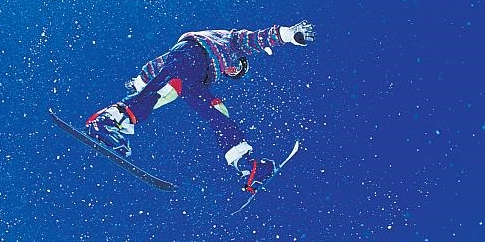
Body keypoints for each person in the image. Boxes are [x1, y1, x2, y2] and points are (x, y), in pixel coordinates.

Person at [86, 22, 315, 193]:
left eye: (235, 74)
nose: (233, 70)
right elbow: (257, 39)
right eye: (237, 67)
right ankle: (107, 121)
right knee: (168, 87)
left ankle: (245, 163)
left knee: (217, 111)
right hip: (194, 53)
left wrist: (141, 81)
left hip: (196, 79)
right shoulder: (231, 43)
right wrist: (288, 34)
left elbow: (158, 65)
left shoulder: (213, 74)